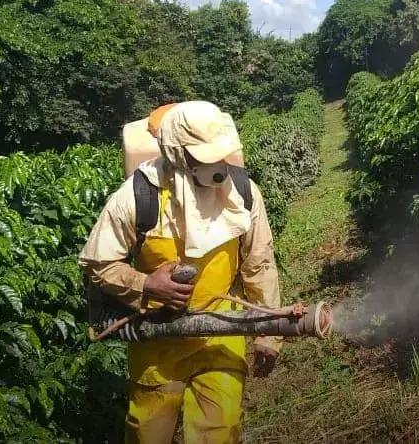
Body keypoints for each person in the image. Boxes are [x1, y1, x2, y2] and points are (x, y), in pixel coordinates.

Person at [79, 101, 282, 443]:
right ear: (177, 155)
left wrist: (269, 332)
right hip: (157, 339)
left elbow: (258, 263)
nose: (216, 167)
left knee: (218, 434)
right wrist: (146, 285)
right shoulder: (137, 196)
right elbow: (98, 265)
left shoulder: (243, 193)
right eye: (205, 157)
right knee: (148, 435)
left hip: (222, 332)